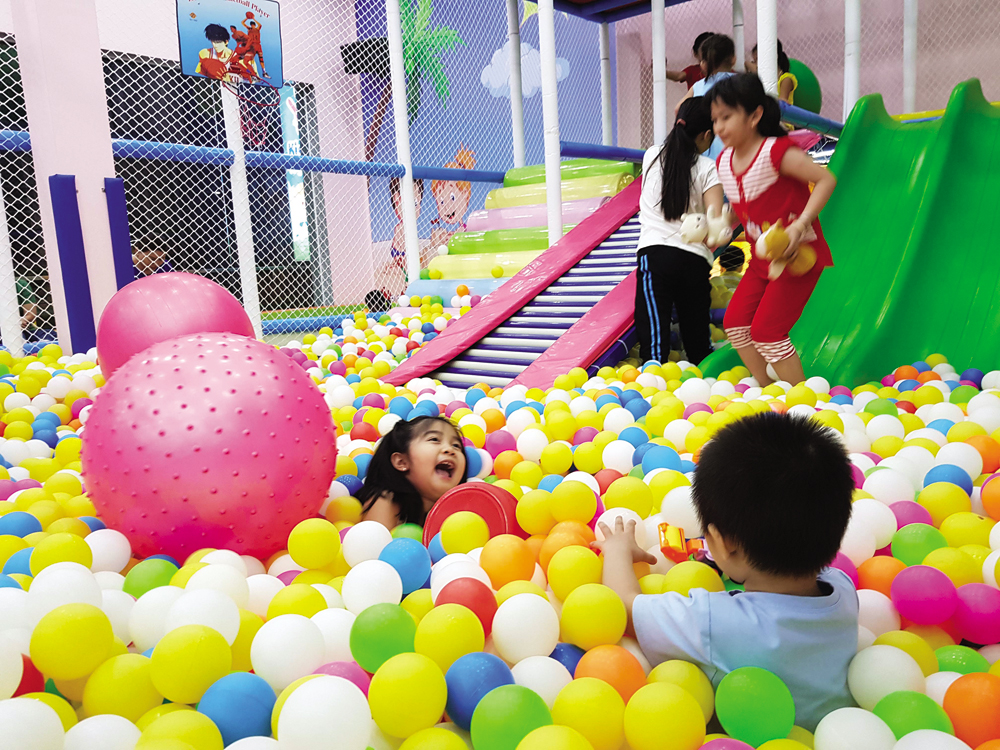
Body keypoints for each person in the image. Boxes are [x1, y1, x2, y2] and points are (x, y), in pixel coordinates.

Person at [594, 412, 857, 732]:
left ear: (725, 543)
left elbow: (621, 607)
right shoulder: (844, 589)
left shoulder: (713, 621)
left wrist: (617, 551)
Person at [709, 74, 836, 385]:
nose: (719, 127)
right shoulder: (724, 162)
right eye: (715, 120)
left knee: (767, 332)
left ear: (754, 116)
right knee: (736, 325)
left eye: (727, 117)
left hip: (797, 257)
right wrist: (722, 223)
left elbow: (826, 180)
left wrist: (800, 225)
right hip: (762, 260)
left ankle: (801, 400)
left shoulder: (776, 152)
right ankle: (767, 390)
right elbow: (745, 208)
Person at [635, 97, 723, 366]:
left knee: (654, 347)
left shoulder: (651, 156)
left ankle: (653, 377)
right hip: (693, 259)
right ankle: (705, 380)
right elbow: (714, 227)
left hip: (655, 255)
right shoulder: (708, 168)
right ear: (706, 134)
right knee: (698, 346)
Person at [357, 416, 468, 530]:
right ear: (402, 462)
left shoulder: (458, 512)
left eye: (456, 445)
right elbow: (374, 539)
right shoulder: (387, 500)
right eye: (434, 439)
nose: (450, 449)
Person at [677, 35, 737, 159]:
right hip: (733, 150)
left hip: (703, 147)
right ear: (733, 60)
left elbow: (678, 108)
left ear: (703, 64)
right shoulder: (740, 82)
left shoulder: (698, 86)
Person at [429, 145, 476, 250]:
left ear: (465, 193)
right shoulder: (442, 233)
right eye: (441, 201)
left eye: (452, 198)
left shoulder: (466, 229)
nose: (447, 207)